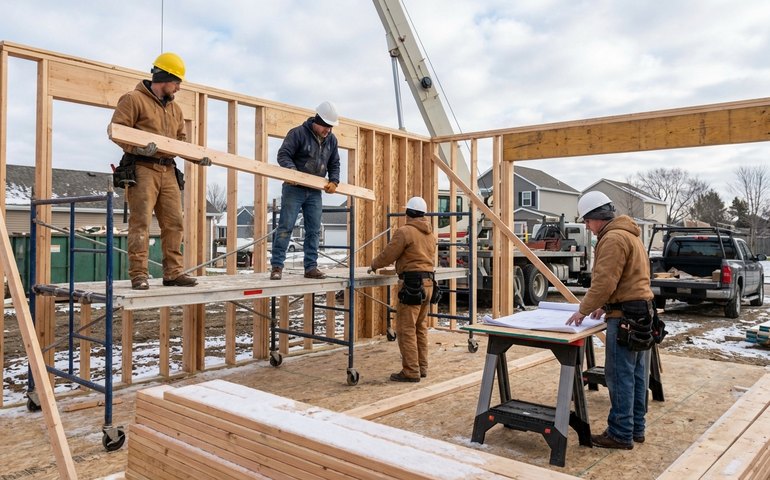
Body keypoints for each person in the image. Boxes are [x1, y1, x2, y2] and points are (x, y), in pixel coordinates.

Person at [109, 52, 210, 290]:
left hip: (168, 171)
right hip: (143, 169)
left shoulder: (175, 110)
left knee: (175, 223)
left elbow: (180, 140)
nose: (178, 88)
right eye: (176, 83)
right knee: (140, 222)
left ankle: (173, 273)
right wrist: (139, 148)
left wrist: (196, 157)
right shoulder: (133, 99)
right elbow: (116, 130)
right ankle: (138, 274)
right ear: (164, 78)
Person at [566, 191, 655, 450]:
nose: (586, 227)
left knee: (620, 377)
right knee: (636, 375)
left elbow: (604, 281)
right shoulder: (628, 235)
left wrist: (584, 309)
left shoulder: (613, 238)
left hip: (626, 316)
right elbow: (625, 278)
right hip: (640, 312)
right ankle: (635, 428)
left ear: (597, 217)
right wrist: (605, 306)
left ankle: (619, 434)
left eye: (587, 221)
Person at [270, 101, 341, 280]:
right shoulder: (298, 134)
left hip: (315, 190)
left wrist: (334, 180)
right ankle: (277, 267)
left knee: (314, 230)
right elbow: (283, 154)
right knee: (286, 227)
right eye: (326, 127)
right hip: (294, 189)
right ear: (317, 121)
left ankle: (311, 267)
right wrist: (292, 172)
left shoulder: (331, 140)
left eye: (331, 127)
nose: (328, 131)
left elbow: (334, 163)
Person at [369, 197, 436, 382]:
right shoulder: (430, 234)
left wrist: (374, 264)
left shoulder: (405, 232)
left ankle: (410, 372)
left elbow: (388, 254)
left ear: (408, 213)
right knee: (420, 327)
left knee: (406, 329)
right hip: (429, 284)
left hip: (412, 284)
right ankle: (421, 368)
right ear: (423, 214)